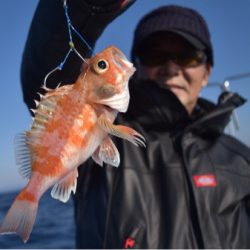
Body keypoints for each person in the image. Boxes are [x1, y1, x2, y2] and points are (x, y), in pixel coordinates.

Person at [20, 0, 250, 248]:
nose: (171, 67)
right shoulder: (106, 143)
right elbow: (45, 78)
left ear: (206, 72)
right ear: (137, 66)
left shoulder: (242, 161)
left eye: (188, 56)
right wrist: (85, 6)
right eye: (155, 55)